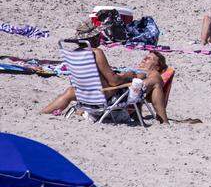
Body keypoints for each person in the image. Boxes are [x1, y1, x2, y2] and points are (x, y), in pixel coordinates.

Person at [41, 24, 170, 124]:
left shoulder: (73, 53)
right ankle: (164, 121)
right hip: (104, 97)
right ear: (92, 38)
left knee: (70, 91)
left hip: (84, 95)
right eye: (97, 35)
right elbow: (114, 81)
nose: (99, 37)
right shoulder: (96, 52)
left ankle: (42, 114)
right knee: (153, 81)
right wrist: (128, 75)